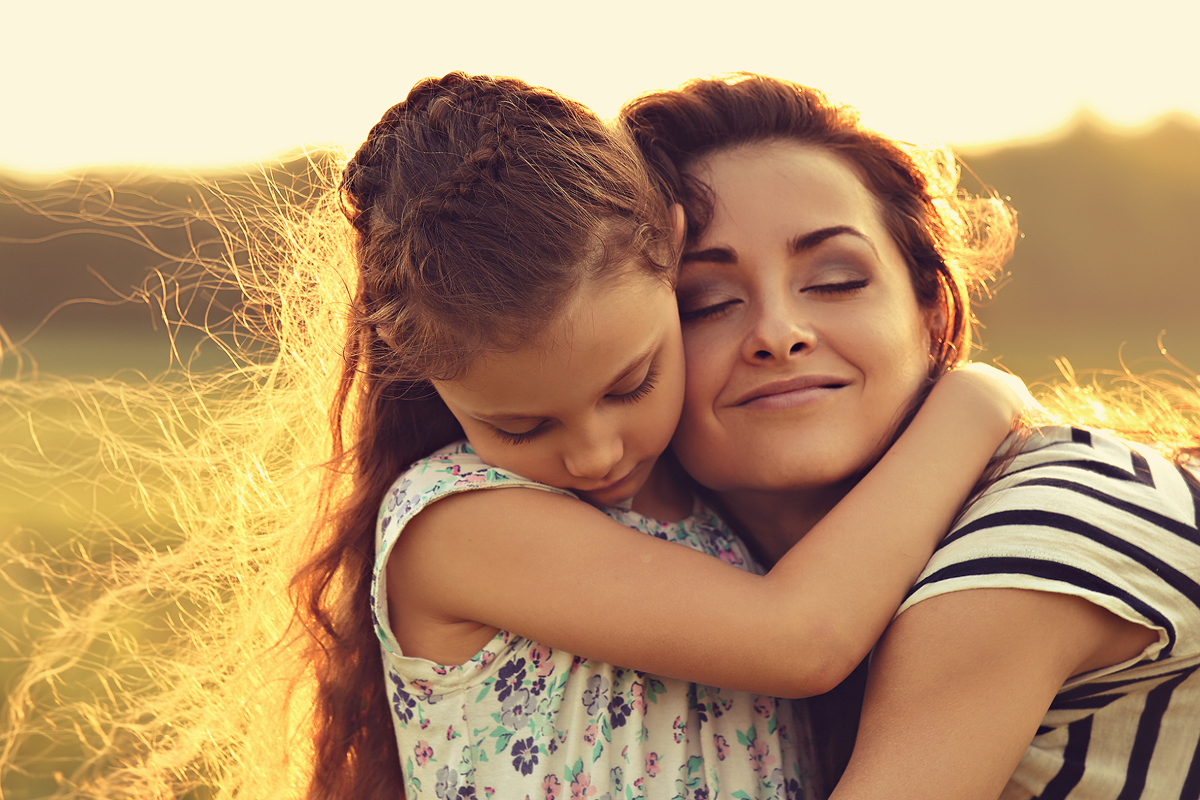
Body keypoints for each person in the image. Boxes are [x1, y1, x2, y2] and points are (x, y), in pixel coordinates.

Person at [304, 71, 1038, 800]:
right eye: (520, 426)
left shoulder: (715, 507)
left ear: (670, 253)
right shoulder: (458, 523)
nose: (595, 455)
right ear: (422, 374)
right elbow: (804, 639)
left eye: (630, 386)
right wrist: (980, 394)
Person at [621, 72, 1200, 799]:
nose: (777, 333)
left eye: (834, 280)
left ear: (931, 313)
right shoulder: (680, 582)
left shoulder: (1050, 519)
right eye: (705, 303)